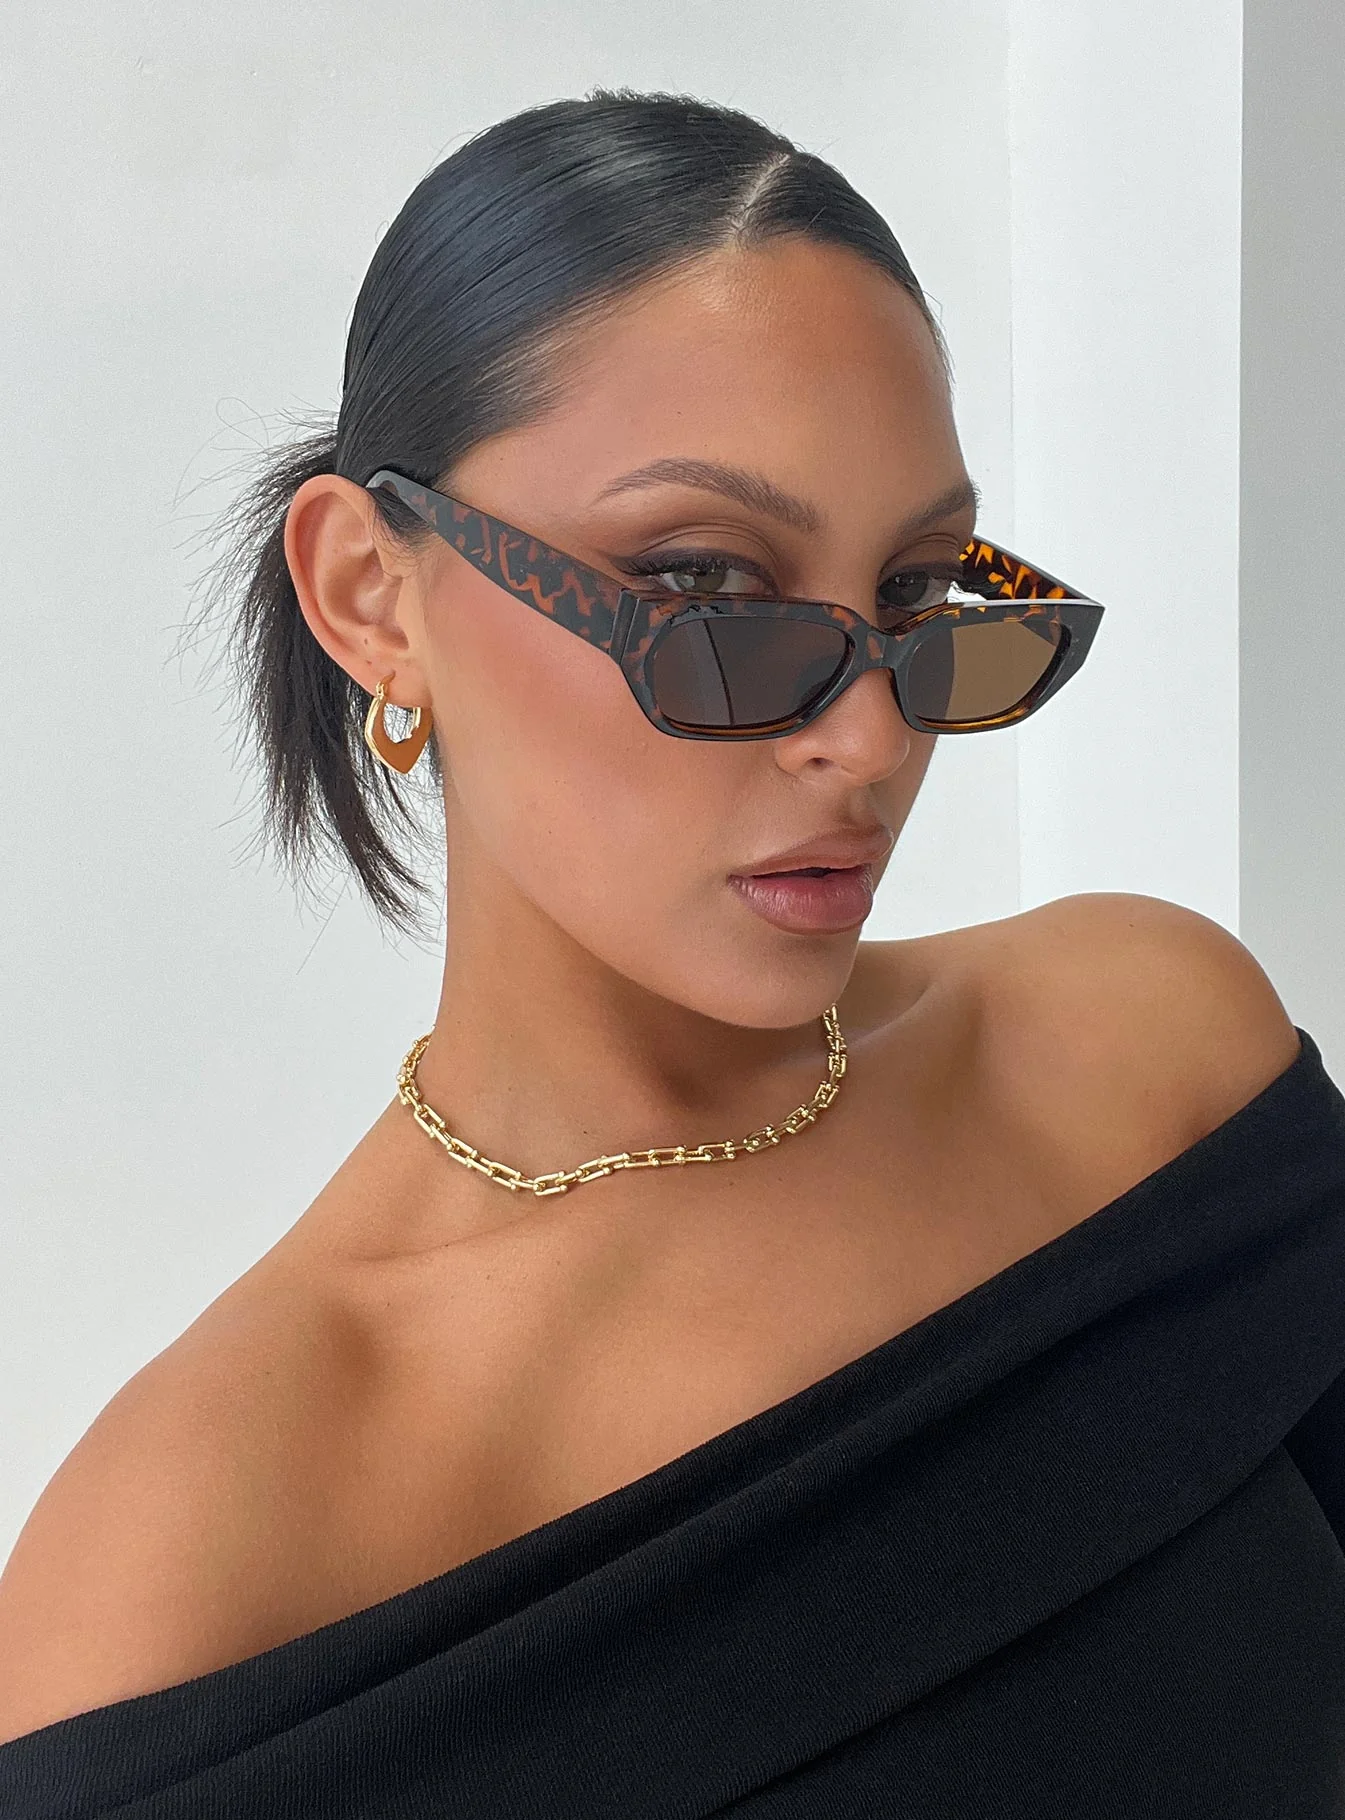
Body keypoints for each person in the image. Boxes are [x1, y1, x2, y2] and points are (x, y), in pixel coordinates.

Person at [1, 86, 1342, 1819]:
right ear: (372, 597)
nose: (869, 740)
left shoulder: (1147, 1053)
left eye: (920, 590)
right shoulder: (198, 1558)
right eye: (707, 589)